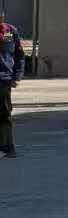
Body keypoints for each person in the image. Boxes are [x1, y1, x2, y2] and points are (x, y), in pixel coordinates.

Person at [0, 9, 24, 158]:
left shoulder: (10, 31)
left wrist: (17, 76)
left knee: (4, 114)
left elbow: (19, 55)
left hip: (4, 79)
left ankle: (8, 148)